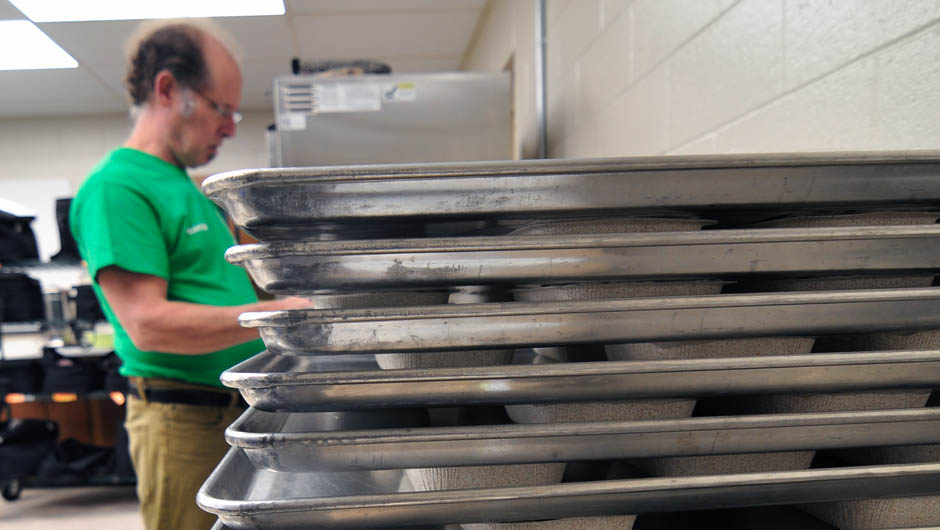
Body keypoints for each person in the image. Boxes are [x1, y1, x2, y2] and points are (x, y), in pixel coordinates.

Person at [69, 19, 308, 530]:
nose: (231, 127)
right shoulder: (119, 188)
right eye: (222, 109)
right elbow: (147, 324)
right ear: (167, 90)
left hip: (231, 409)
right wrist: (279, 317)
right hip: (182, 420)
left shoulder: (182, 186)